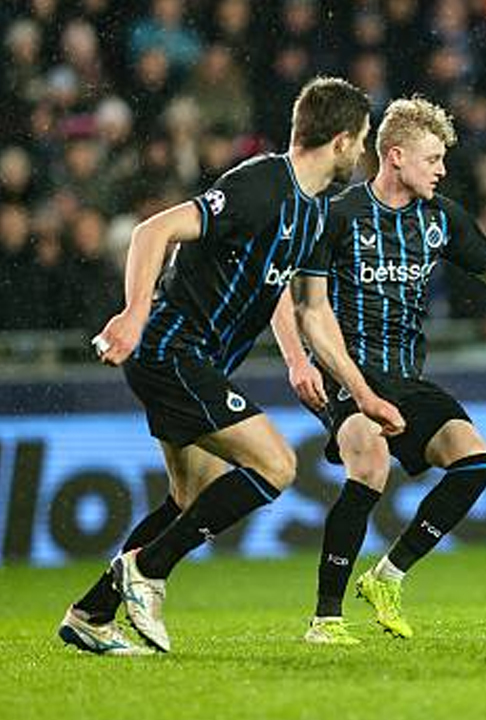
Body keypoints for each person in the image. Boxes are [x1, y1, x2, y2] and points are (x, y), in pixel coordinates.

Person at [57, 77, 405, 655]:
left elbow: (310, 310)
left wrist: (357, 393)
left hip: (197, 360)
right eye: (363, 138)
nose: (364, 152)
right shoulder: (261, 185)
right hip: (171, 349)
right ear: (342, 141)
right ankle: (147, 570)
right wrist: (135, 312)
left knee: (190, 498)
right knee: (276, 465)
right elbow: (154, 230)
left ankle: (91, 614)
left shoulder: (315, 212)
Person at [269, 96, 486, 645]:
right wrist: (296, 359)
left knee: (474, 462)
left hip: (406, 377)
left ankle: (387, 576)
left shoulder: (441, 217)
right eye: (432, 159)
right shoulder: (337, 215)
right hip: (347, 372)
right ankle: (326, 619)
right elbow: (285, 294)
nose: (441, 170)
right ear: (395, 156)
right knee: (369, 464)